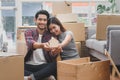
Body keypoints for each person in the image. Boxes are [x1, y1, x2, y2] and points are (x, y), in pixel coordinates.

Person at [24, 10, 58, 80]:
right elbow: (30, 43)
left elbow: (52, 54)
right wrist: (42, 45)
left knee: (56, 65)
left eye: (44, 20)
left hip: (44, 66)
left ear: (47, 22)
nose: (42, 22)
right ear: (35, 20)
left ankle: (30, 78)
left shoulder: (51, 35)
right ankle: (43, 77)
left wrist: (55, 52)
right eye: (40, 19)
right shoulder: (29, 31)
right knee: (15, 66)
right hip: (29, 65)